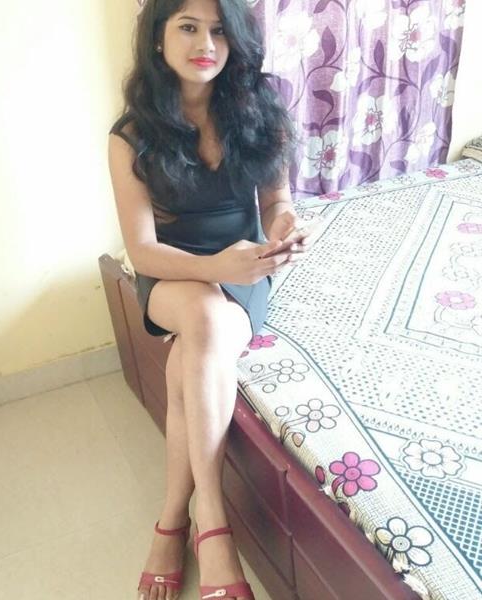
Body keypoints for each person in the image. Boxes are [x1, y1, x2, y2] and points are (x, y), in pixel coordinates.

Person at [108, 1, 315, 598]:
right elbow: (142, 252)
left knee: (192, 351)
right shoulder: (130, 137)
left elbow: (275, 203)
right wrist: (211, 267)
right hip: (172, 274)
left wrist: (283, 226)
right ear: (158, 39)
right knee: (200, 311)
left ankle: (174, 521)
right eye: (188, 27)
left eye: (220, 31)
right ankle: (216, 525)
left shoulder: (259, 111)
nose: (206, 44)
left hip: (244, 270)